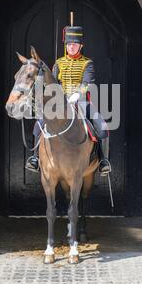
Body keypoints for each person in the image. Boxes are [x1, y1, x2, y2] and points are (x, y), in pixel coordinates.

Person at [26, 25, 111, 175]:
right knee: (39, 124)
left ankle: (103, 161)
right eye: (69, 44)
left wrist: (77, 94)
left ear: (80, 46)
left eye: (74, 44)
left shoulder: (87, 63)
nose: (71, 47)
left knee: (102, 125)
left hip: (81, 101)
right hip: (60, 101)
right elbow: (53, 83)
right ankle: (35, 158)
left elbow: (87, 83)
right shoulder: (59, 63)